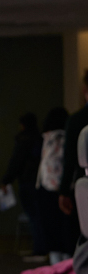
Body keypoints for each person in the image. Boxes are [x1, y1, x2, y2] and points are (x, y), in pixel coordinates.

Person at [33, 108, 75, 261]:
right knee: (67, 230)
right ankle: (68, 264)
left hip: (46, 188)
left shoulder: (46, 138)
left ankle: (55, 263)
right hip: (66, 188)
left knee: (51, 230)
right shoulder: (68, 137)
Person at [0, 112, 44, 254]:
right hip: (40, 181)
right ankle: (41, 247)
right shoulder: (40, 138)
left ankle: (39, 248)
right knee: (38, 215)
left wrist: (6, 180)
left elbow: (16, 162)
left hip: (27, 181)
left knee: (34, 215)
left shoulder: (24, 140)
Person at [57, 71, 88, 225]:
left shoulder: (77, 120)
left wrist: (64, 191)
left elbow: (69, 159)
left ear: (85, 90)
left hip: (84, 181)